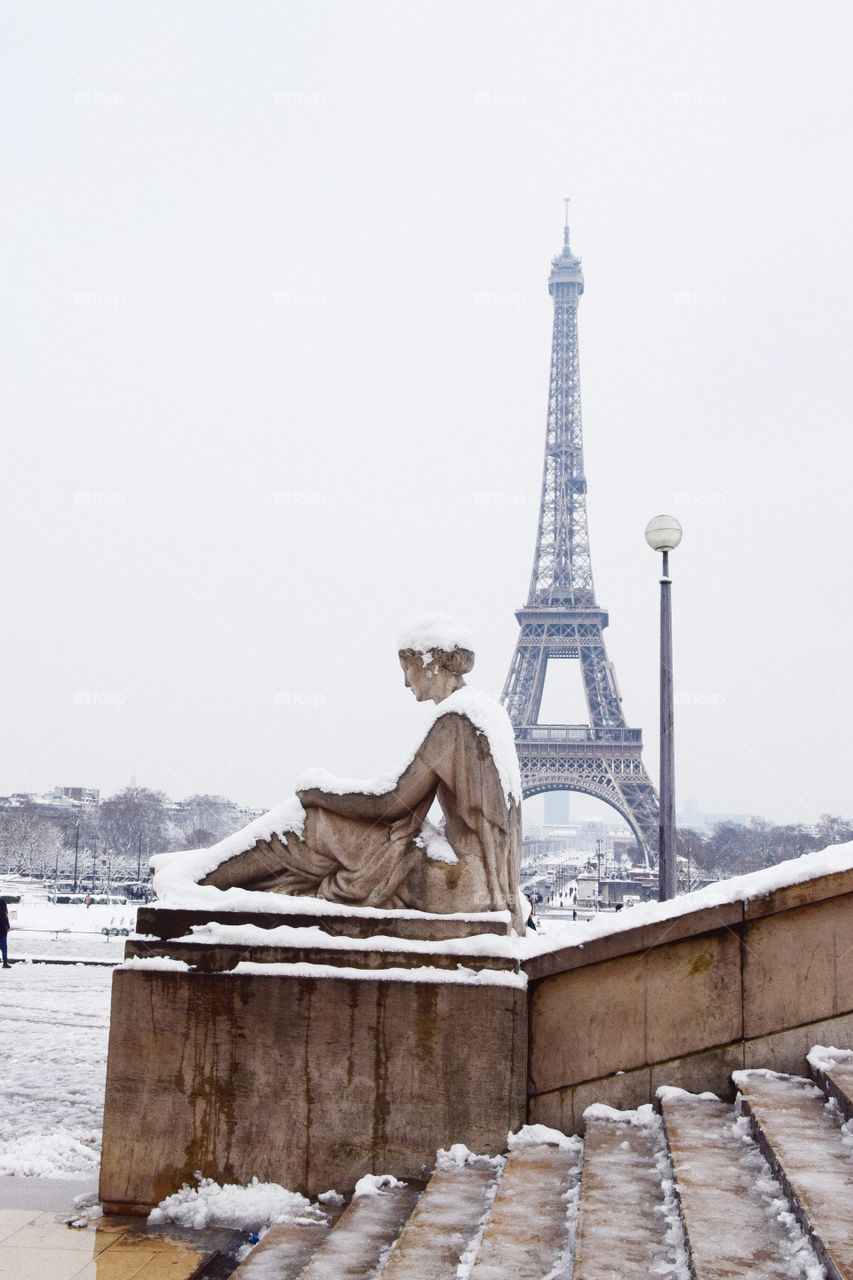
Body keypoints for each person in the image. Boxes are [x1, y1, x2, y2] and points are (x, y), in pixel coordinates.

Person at [184, 617, 524, 931]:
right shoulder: (486, 714)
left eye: (406, 667)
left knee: (314, 820)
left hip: (455, 884)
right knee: (332, 830)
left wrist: (320, 792)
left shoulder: (454, 722)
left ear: (429, 662)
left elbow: (391, 803)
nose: (405, 681)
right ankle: (207, 872)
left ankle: (197, 883)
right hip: (476, 882)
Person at [0, 899, 10, 968]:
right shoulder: (4, 912)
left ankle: (5, 963)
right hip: (3, 932)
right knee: (4, 948)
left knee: (4, 948)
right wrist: (8, 927)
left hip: (3, 931)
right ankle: (5, 963)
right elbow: (6, 919)